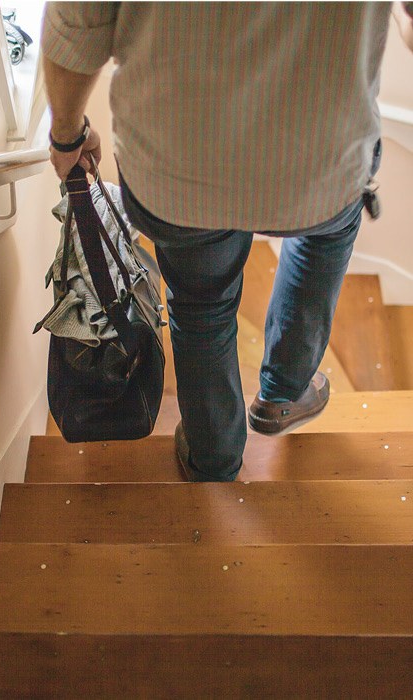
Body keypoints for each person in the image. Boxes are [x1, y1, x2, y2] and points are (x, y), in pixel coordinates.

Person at [41, 3, 412, 481]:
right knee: (322, 236)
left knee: (202, 304)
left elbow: (76, 28)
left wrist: (67, 136)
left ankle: (214, 458)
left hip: (178, 170)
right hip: (322, 161)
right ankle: (284, 394)